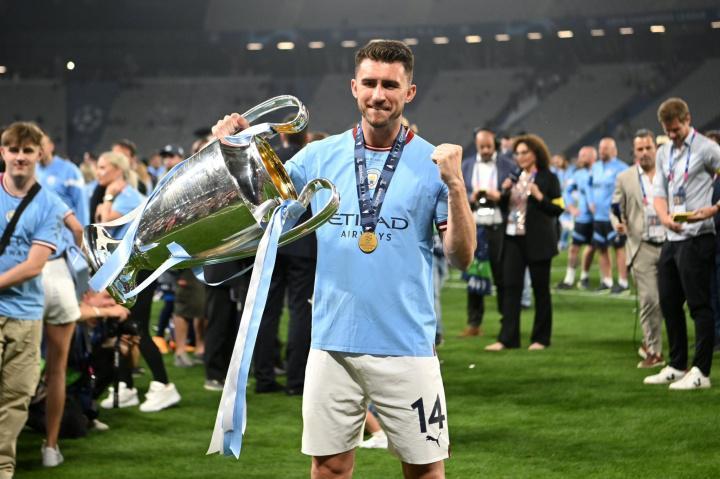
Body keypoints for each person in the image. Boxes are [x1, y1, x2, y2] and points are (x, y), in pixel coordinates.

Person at [213, 39, 475, 479]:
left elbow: (462, 257)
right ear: (354, 88)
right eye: (369, 83)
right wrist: (231, 150)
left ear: (409, 92)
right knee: (329, 468)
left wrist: (456, 186)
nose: (379, 95)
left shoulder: (433, 164)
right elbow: (253, 206)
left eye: (390, 85)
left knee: (425, 470)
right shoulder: (318, 157)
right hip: (332, 342)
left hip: (406, 345)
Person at [0, 122, 67, 479]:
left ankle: (3, 467)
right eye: (14, 150)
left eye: (27, 151)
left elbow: (33, 266)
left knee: (16, 397)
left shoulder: (50, 204)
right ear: (3, 152)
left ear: (39, 154)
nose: (20, 157)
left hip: (26, 314)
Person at [93, 151, 181, 410]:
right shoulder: (119, 194)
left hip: (138, 269)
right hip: (123, 269)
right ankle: (125, 385)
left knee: (137, 327)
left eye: (103, 167)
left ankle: (164, 385)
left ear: (118, 170)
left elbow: (104, 224)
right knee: (122, 328)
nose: (98, 172)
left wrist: (108, 198)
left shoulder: (128, 195)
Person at [644, 98, 720, 390]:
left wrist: (714, 209)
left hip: (698, 236)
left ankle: (701, 371)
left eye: (676, 129)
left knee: (699, 305)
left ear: (688, 119)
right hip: (672, 238)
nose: (672, 135)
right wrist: (664, 218)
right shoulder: (664, 151)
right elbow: (659, 192)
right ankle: (677, 365)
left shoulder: (707, 148)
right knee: (669, 302)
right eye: (667, 130)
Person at [485, 134, 564, 351]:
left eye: (525, 152)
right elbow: (506, 207)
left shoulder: (549, 178)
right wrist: (502, 194)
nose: (520, 157)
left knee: (540, 290)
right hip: (512, 238)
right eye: (517, 153)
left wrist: (540, 196)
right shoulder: (514, 176)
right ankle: (507, 339)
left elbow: (558, 209)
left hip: (539, 241)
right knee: (510, 288)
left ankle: (540, 339)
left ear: (535, 153)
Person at [35, 133, 87, 468]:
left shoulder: (64, 174)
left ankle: (33, 444)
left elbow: (80, 226)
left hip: (34, 275)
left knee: (29, 366)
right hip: (56, 272)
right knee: (53, 368)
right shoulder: (47, 192)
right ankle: (50, 446)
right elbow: (78, 228)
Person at [253, 125, 316, 395]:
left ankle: (264, 377)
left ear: (282, 136)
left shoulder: (269, 159)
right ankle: (296, 380)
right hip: (303, 243)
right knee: (301, 310)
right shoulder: (313, 159)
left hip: (271, 242)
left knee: (267, 311)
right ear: (306, 137)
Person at [611, 129, 666, 369]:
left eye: (648, 148)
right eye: (640, 149)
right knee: (650, 299)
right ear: (634, 152)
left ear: (656, 148)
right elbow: (615, 208)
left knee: (669, 301)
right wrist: (617, 223)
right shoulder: (625, 178)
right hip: (641, 245)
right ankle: (654, 351)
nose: (644, 153)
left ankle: (657, 344)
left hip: (669, 243)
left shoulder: (668, 173)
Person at [458, 128, 513, 337]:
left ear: (495, 143)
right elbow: (459, 191)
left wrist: (500, 195)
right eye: (482, 147)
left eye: (489, 146)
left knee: (502, 275)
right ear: (476, 145)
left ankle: (507, 323)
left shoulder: (508, 165)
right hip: (474, 226)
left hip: (498, 226)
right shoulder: (467, 165)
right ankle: (474, 324)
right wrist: (470, 197)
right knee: (474, 275)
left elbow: (515, 194)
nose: (486, 150)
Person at [589, 138, 629, 293]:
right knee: (602, 248)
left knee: (619, 248)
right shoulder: (595, 167)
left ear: (614, 150)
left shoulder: (622, 168)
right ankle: (606, 280)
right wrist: (590, 202)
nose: (601, 151)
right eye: (600, 148)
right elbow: (590, 186)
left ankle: (623, 282)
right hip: (598, 216)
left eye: (605, 148)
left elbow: (627, 191)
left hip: (614, 217)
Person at [557, 146, 597, 290]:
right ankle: (569, 279)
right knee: (574, 248)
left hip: (598, 218)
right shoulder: (578, 174)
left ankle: (584, 277)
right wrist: (571, 207)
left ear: (592, 156)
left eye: (583, 155)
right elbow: (566, 192)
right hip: (582, 218)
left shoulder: (599, 172)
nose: (580, 158)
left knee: (593, 248)